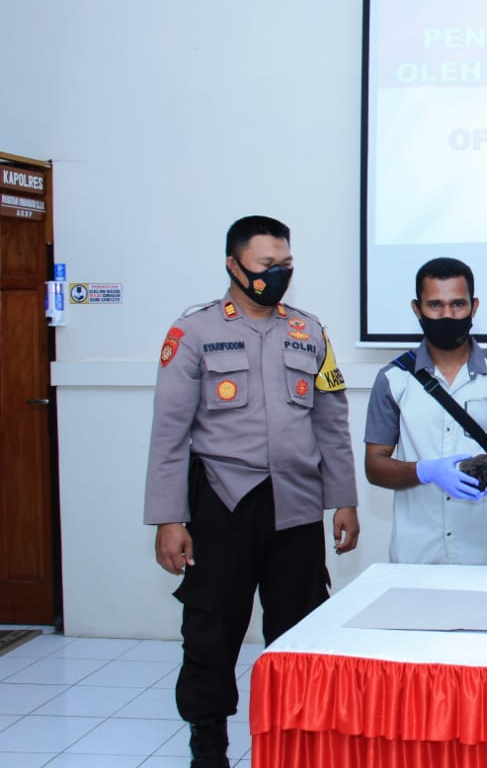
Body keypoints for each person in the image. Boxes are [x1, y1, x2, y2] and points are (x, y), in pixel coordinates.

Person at [144, 215, 359, 768]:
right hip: (222, 503)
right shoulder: (193, 333)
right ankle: (208, 745)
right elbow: (170, 433)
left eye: (286, 264)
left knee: (300, 630)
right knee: (211, 629)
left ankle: (295, 743)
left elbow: (332, 423)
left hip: (297, 505)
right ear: (234, 265)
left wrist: (345, 499)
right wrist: (169, 518)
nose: (278, 274)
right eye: (267, 265)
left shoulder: (310, 332)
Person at [363, 257, 487, 565]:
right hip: (416, 556)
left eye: (457, 304)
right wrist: (425, 471)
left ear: (474, 306)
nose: (447, 315)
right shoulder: (393, 380)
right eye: (435, 305)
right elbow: (375, 466)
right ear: (417, 309)